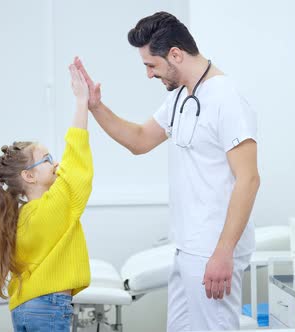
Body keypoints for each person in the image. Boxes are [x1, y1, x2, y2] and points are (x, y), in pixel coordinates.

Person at [75, 11, 260, 331]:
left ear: (175, 54)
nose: (149, 74)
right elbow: (140, 140)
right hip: (186, 245)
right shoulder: (180, 97)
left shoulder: (226, 98)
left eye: (151, 65)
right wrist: (96, 106)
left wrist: (223, 252)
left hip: (212, 250)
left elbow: (249, 179)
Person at [0, 61, 93, 332]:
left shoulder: (21, 215)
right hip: (48, 307)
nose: (55, 163)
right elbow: (76, 166)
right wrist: (82, 102)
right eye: (47, 159)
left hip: (24, 307)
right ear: (29, 176)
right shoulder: (50, 208)